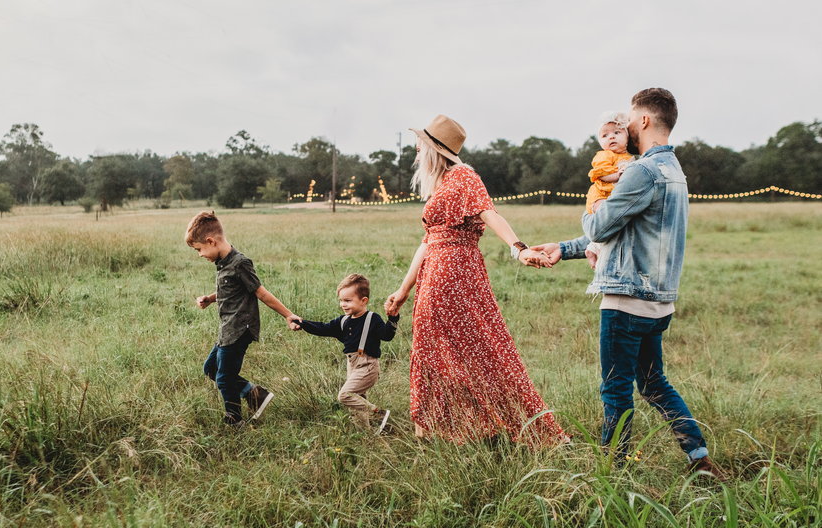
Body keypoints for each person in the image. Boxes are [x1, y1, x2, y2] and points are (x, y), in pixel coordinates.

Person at [532, 88, 725, 478]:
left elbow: (602, 225)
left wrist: (594, 208)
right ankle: (699, 458)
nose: (625, 127)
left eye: (630, 120)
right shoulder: (674, 171)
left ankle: (612, 471)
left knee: (615, 388)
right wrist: (565, 248)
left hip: (626, 300)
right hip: (659, 302)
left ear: (645, 121)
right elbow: (627, 232)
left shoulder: (641, 170)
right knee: (654, 384)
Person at [384, 114, 568, 444]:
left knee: (481, 348)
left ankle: (503, 425)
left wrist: (518, 248)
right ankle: (441, 429)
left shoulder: (464, 176)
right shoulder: (441, 184)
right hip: (435, 275)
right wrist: (402, 290)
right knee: (432, 350)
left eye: (420, 144)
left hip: (456, 274)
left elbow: (490, 213)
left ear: (434, 149)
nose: (415, 149)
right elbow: (427, 241)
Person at [186, 211, 300, 426]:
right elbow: (230, 291)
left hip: (239, 329)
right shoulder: (223, 263)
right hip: (227, 329)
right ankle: (255, 394)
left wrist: (289, 315)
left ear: (211, 241)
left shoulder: (240, 263)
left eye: (199, 249)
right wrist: (210, 298)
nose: (200, 254)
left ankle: (234, 419)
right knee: (211, 369)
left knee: (224, 377)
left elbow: (261, 292)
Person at [293, 274, 397, 433]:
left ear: (364, 301)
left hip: (368, 365)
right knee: (357, 403)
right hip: (352, 365)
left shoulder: (372, 319)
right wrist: (302, 323)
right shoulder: (343, 321)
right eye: (341, 300)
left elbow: (387, 336)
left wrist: (392, 318)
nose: (343, 304)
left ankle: (378, 414)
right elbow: (323, 328)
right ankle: (365, 434)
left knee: (345, 395)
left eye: (348, 300)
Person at [585, 112, 634, 268]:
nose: (611, 137)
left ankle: (593, 248)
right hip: (600, 195)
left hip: (612, 195)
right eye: (605, 135)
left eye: (617, 133)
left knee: (614, 223)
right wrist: (617, 175)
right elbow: (600, 174)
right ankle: (595, 249)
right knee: (606, 218)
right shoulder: (605, 155)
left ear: (627, 137)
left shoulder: (629, 157)